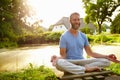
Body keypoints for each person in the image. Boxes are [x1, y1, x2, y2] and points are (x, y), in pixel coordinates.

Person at [51, 12, 120, 75]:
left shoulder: (83, 36)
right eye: (74, 20)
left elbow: (90, 53)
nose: (77, 22)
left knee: (106, 61)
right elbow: (63, 56)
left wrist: (107, 56)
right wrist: (57, 58)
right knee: (59, 63)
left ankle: (80, 68)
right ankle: (85, 69)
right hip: (70, 61)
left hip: (82, 61)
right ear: (70, 21)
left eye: (78, 20)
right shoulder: (64, 36)